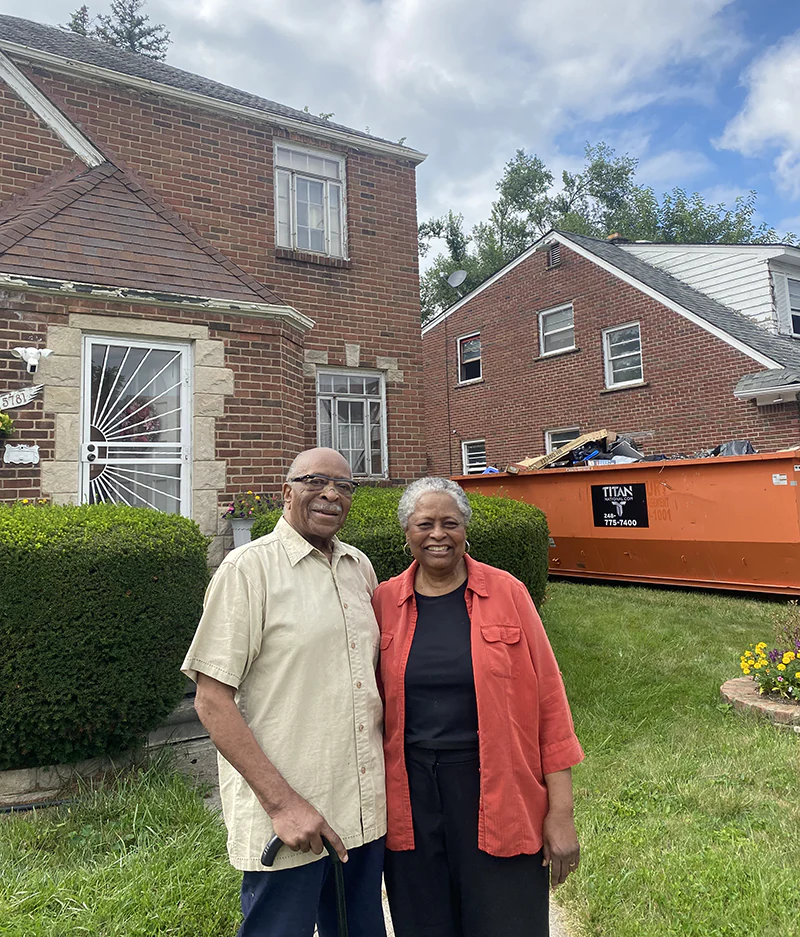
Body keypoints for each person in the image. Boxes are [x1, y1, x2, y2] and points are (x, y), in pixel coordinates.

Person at [182, 448, 386, 937]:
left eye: (345, 486)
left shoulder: (359, 567)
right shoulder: (247, 570)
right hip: (290, 820)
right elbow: (211, 701)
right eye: (316, 481)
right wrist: (282, 805)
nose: (332, 494)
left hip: (362, 810)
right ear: (286, 491)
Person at [372, 476, 583, 937]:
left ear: (466, 530)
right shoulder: (385, 601)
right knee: (423, 921)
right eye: (424, 523)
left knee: (507, 920)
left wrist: (561, 813)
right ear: (406, 532)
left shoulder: (508, 593)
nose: (438, 534)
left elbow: (550, 702)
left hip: (497, 786)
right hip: (410, 793)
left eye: (450, 522)